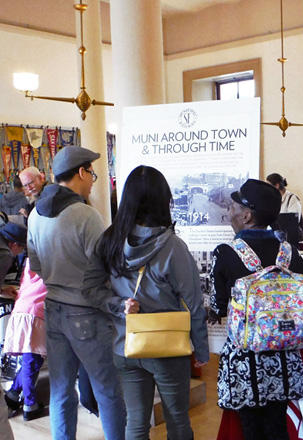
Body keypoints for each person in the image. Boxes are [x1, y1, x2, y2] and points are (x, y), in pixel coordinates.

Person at [82, 165, 209, 439]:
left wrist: (118, 304)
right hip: (167, 348)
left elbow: (90, 289)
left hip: (125, 345)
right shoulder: (173, 247)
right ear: (163, 199)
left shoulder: (109, 240)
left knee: (136, 424)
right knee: (177, 421)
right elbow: (195, 305)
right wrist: (201, 350)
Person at [26, 146, 126, 439]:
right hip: (87, 313)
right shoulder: (85, 215)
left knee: (60, 390)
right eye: (92, 173)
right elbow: (107, 266)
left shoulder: (35, 214)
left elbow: (36, 266)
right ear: (81, 172)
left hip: (54, 308)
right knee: (107, 390)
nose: (94, 180)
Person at [207, 179, 303, 440]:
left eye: (234, 207)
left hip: (246, 360)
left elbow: (218, 307)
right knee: (277, 426)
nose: (230, 212)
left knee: (250, 429)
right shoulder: (290, 254)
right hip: (285, 356)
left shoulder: (227, 252)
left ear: (247, 216)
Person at [2, 223, 47, 422]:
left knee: (32, 360)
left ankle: (13, 394)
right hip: (35, 315)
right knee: (31, 362)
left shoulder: (30, 261)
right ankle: (30, 404)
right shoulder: (51, 262)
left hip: (21, 309)